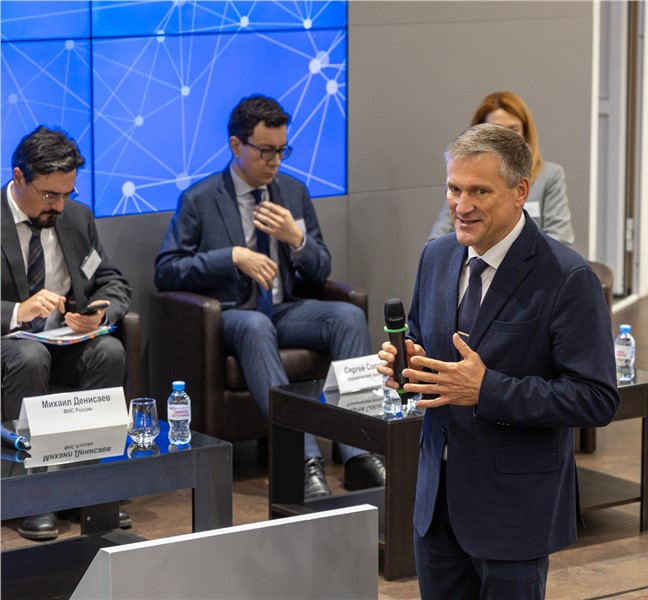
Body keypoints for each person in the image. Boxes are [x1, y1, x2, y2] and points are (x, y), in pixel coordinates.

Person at [378, 124, 619, 599]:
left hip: (514, 511)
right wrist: (410, 363)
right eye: (454, 189)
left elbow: (596, 398)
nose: (461, 205)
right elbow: (426, 342)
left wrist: (486, 390)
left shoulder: (568, 277)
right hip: (437, 505)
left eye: (479, 191)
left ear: (520, 191)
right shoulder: (436, 257)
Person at [155, 95, 384, 498]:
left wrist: (296, 239)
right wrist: (232, 257)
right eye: (266, 151)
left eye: (282, 151)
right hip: (233, 315)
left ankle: (360, 452)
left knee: (347, 316)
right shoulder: (201, 198)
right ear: (236, 145)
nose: (276, 161)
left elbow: (321, 269)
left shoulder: (292, 192)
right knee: (256, 324)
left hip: (286, 309)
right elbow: (167, 270)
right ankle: (302, 459)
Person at [1, 126, 132, 540]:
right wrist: (18, 311)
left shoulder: (76, 217)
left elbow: (110, 279)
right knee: (29, 356)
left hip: (61, 341)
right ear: (19, 177)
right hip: (9, 347)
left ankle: (86, 490)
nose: (59, 205)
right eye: (49, 196)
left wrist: (101, 310)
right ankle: (31, 496)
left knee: (108, 350)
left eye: (66, 194)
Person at [427, 90, 575, 247]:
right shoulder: (462, 179)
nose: (504, 140)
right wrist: (473, 253)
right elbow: (438, 238)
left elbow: (560, 239)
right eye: (495, 130)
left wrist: (500, 256)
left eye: (513, 130)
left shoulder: (550, 175)